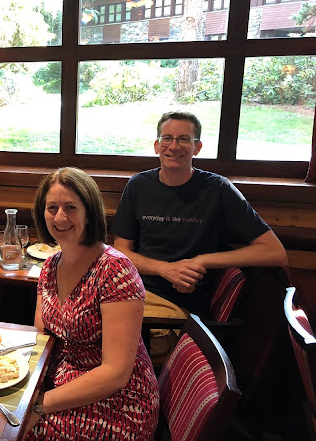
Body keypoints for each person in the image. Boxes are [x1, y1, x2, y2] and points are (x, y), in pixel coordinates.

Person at [112, 111, 288, 332]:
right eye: (167, 138)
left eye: (184, 139)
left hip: (184, 309)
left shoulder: (218, 188)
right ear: (157, 145)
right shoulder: (138, 185)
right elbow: (121, 251)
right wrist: (166, 269)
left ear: (198, 147)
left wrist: (202, 261)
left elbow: (275, 252)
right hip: (136, 292)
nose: (174, 146)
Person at [25, 167, 158, 441]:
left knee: (8, 431)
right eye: (52, 208)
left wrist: (37, 404)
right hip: (61, 382)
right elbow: (42, 339)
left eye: (71, 207)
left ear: (89, 212)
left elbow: (116, 373)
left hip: (119, 402)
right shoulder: (50, 265)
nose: (60, 217)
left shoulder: (115, 270)